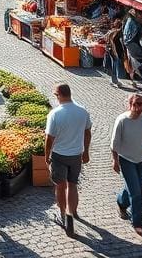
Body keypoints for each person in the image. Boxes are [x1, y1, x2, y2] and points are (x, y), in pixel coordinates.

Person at [44, 83, 92, 239]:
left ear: (59, 95)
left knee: (60, 186)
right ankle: (72, 212)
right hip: (76, 155)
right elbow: (87, 133)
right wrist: (86, 152)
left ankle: (63, 214)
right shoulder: (82, 111)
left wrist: (46, 157)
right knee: (72, 185)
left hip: (59, 155)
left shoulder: (55, 114)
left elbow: (49, 139)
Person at [111, 93, 142, 238]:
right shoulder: (122, 120)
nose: (138, 107)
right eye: (136, 104)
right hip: (126, 159)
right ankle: (137, 223)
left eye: (141, 104)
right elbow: (114, 144)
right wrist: (115, 161)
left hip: (141, 159)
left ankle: (121, 202)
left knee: (134, 188)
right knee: (136, 192)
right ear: (129, 105)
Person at [104, 19, 125, 88]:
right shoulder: (116, 32)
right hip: (114, 50)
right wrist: (115, 52)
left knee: (114, 65)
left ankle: (114, 80)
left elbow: (105, 38)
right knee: (114, 65)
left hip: (110, 50)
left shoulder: (111, 31)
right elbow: (113, 43)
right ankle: (115, 80)